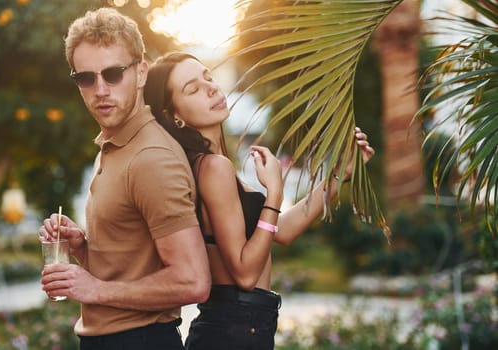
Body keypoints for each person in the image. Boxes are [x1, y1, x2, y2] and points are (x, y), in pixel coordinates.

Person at [143, 52, 375, 350]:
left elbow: (282, 231)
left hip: (238, 327)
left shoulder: (212, 165)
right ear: (172, 115)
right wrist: (275, 193)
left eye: (208, 77)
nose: (211, 88)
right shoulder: (213, 168)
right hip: (233, 330)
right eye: (193, 89)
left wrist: (339, 175)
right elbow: (245, 272)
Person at [38, 10, 210, 350]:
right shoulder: (115, 147)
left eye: (113, 74)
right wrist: (82, 247)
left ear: (141, 73)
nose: (100, 90)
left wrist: (94, 289)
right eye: (86, 78)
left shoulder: (151, 158)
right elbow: (131, 265)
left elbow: (193, 280)